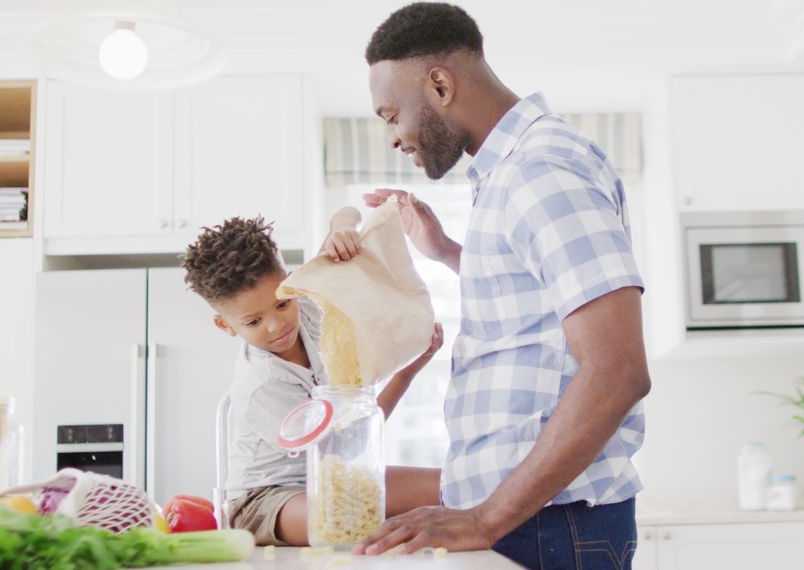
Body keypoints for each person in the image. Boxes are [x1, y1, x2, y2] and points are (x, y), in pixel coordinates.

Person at [356, 3, 652, 568]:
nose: (393, 137)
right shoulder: (509, 174)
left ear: (439, 84)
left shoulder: (539, 170)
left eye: (392, 115)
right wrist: (445, 252)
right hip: (535, 518)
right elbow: (539, 304)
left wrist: (487, 517)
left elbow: (618, 371)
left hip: (548, 522)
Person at [181, 210, 444, 546]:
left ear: (292, 284)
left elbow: (347, 214)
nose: (276, 326)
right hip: (267, 500)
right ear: (226, 326)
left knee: (451, 484)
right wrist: (406, 373)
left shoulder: (310, 303)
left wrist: (342, 229)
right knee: (348, 518)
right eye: (253, 322)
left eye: (281, 304)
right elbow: (347, 444)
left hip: (336, 478)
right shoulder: (261, 384)